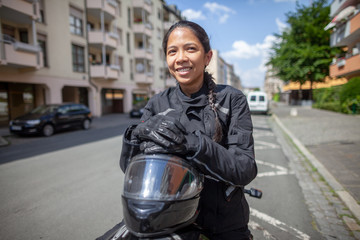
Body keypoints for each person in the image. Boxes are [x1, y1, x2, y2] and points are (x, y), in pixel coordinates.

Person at [120, 20, 257, 240]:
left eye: (190, 48)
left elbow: (245, 169)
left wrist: (190, 143)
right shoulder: (157, 104)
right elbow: (131, 170)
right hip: (169, 220)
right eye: (172, 51)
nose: (180, 58)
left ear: (207, 57)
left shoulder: (233, 99)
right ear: (167, 60)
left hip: (224, 222)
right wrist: (133, 138)